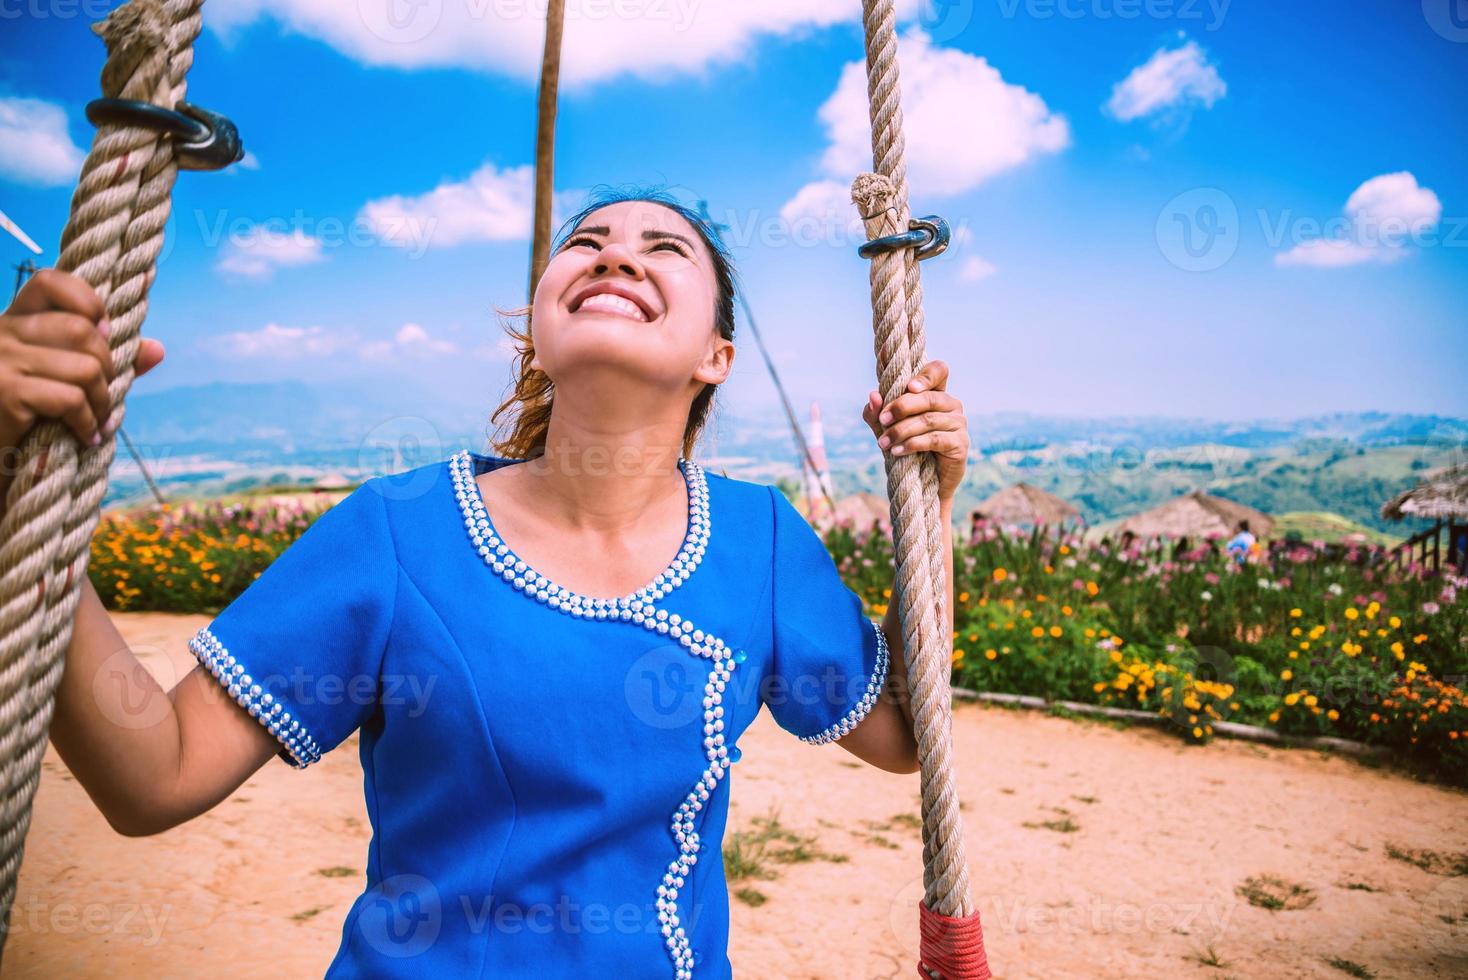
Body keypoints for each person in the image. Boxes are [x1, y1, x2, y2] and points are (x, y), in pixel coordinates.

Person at [0, 188, 972, 978]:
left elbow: (901, 734)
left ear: (717, 357)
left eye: (663, 246)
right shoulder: (397, 531)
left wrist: (930, 504)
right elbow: (153, 772)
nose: (616, 253)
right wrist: (13, 496)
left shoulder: (760, 540)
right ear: (539, 334)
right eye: (584, 240)